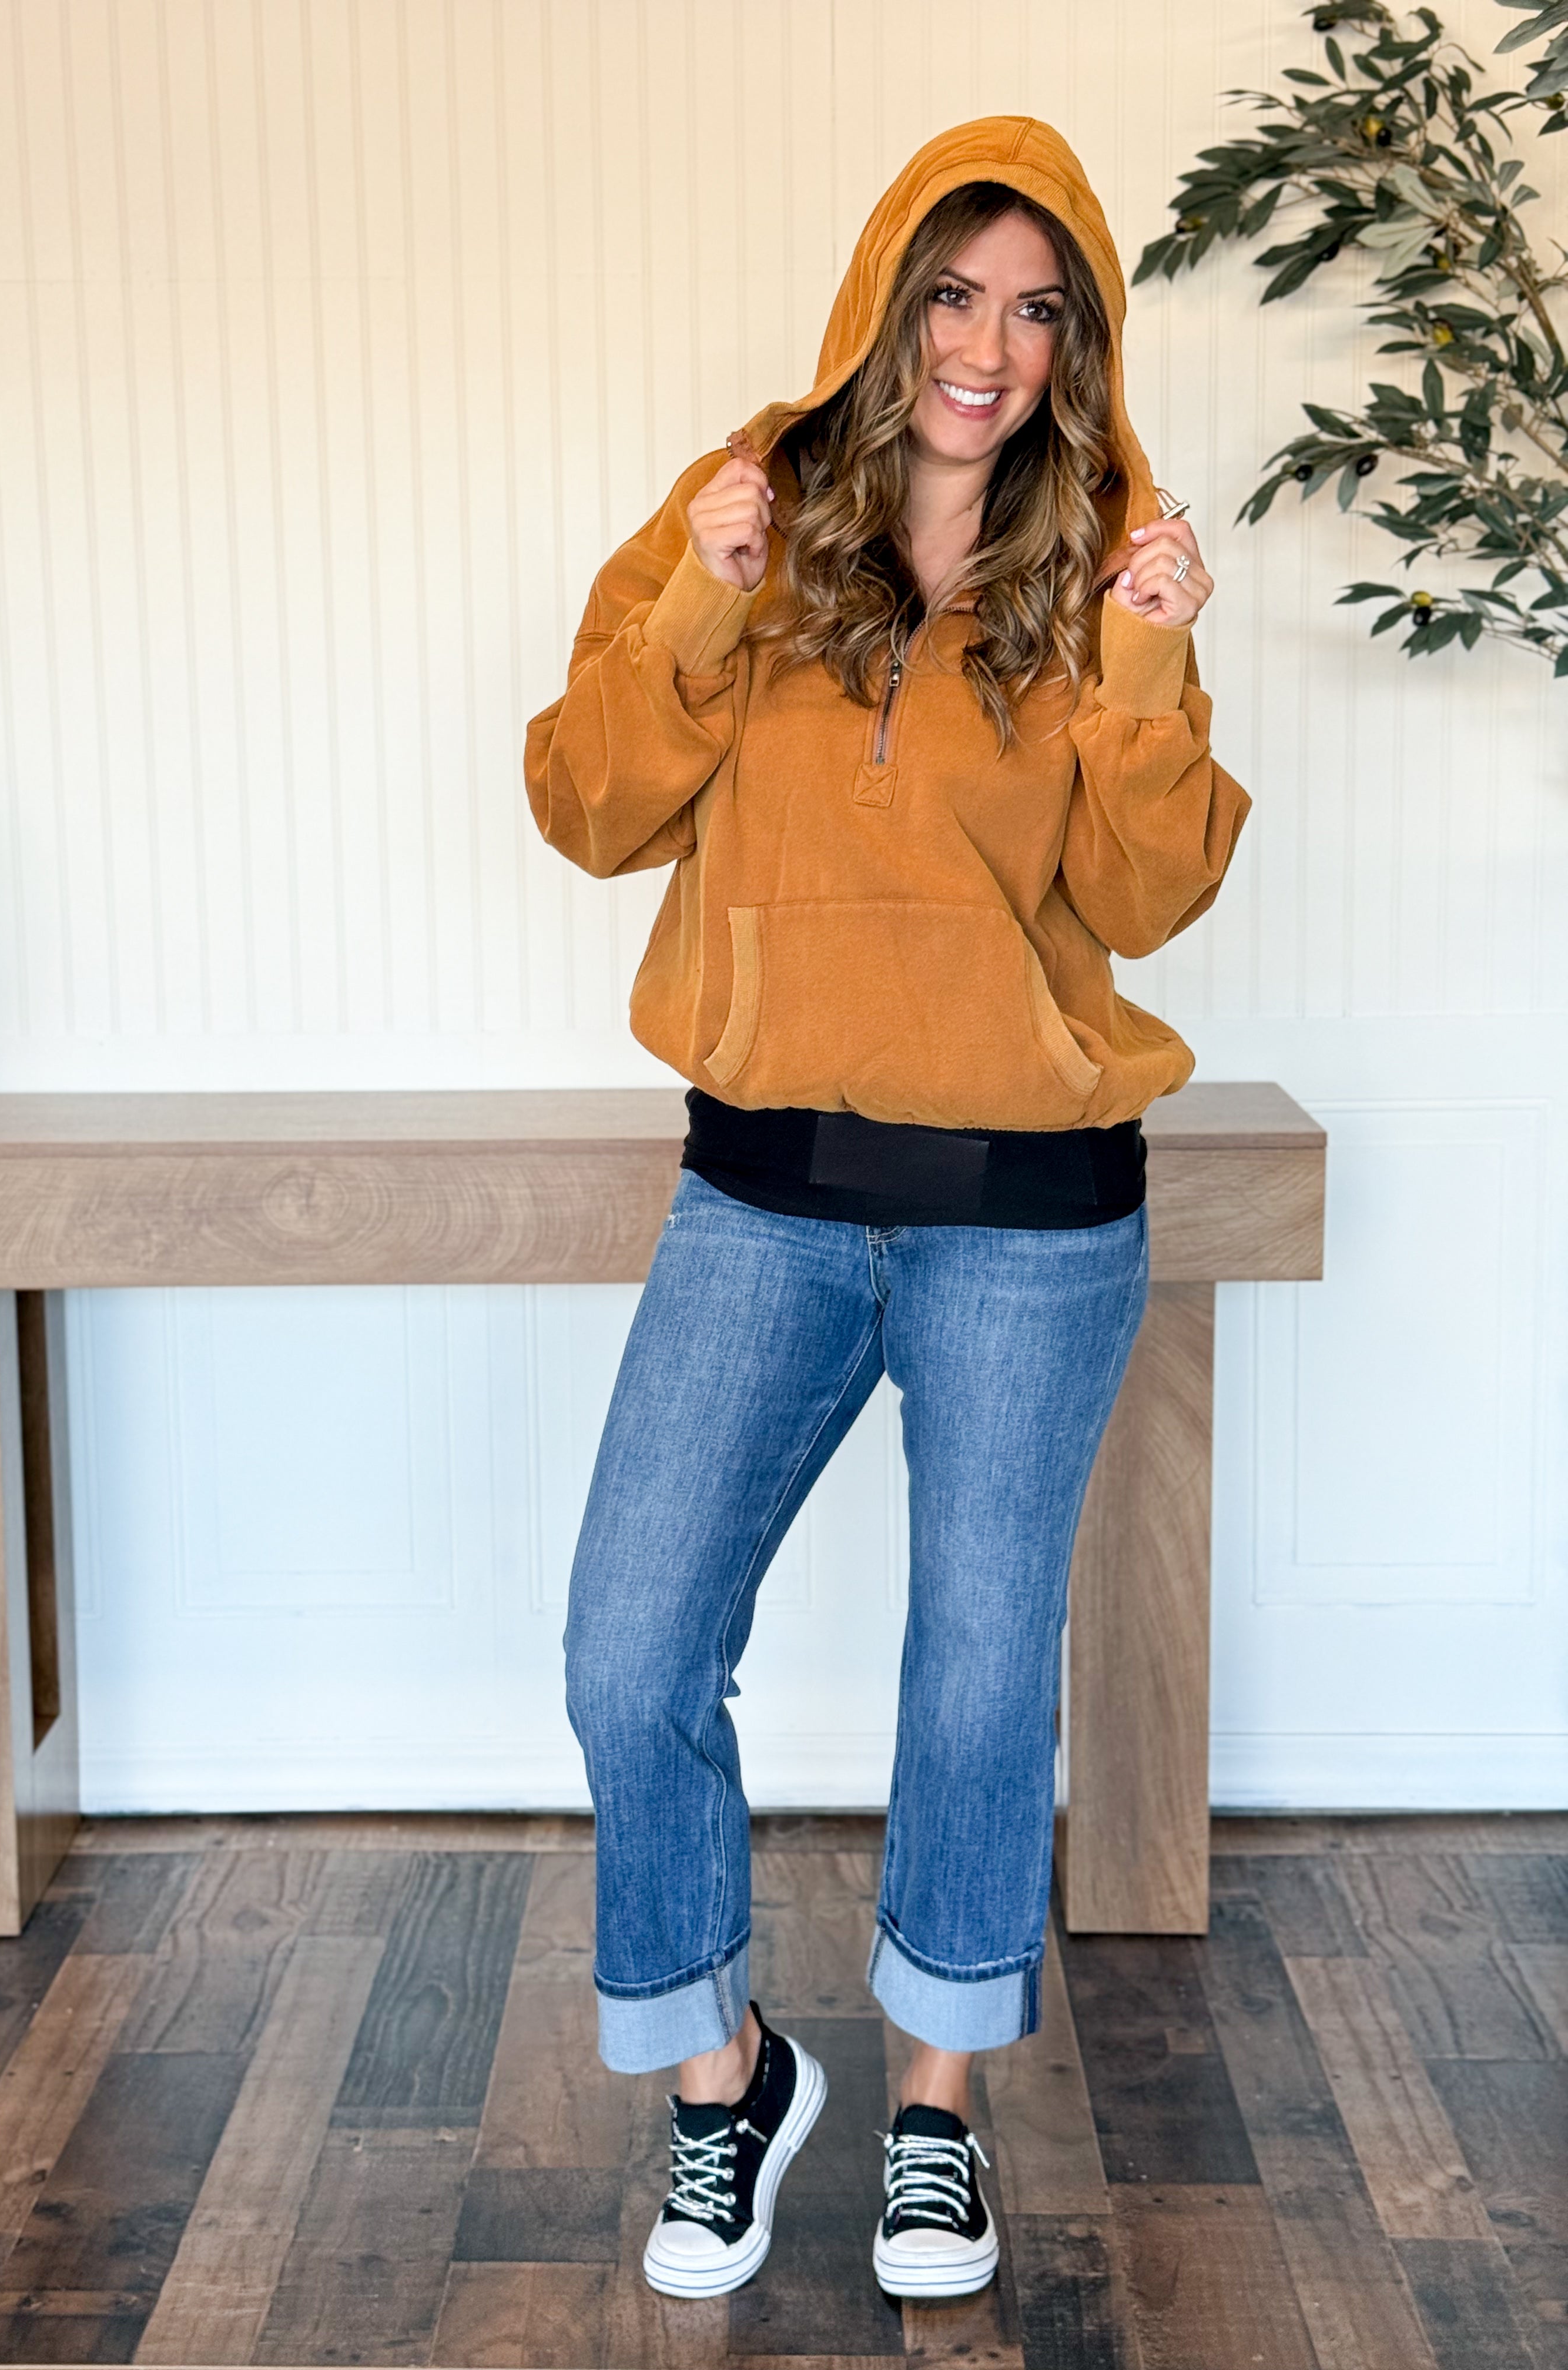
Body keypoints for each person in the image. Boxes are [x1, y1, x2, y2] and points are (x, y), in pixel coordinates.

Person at [523, 115, 1248, 2305]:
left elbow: (1148, 894)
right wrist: (705, 596)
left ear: (1076, 344)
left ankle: (937, 2112)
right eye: (954, 293)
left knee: (976, 1677)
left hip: (1035, 1220)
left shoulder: (1110, 559)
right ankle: (726, 2079)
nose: (987, 347)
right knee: (631, 1644)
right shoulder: (742, 504)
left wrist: (1147, 665)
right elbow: (587, 805)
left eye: (1036, 311)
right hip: (765, 1198)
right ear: (884, 298)